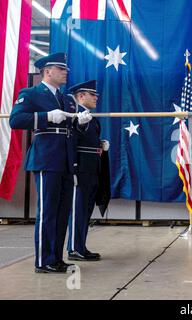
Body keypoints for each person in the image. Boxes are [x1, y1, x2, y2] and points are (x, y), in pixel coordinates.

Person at [9, 53, 92, 273]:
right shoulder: (32, 93)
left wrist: (81, 123)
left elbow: (72, 130)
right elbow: (15, 120)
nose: (66, 72)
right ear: (47, 71)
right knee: (47, 211)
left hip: (65, 159)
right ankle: (43, 261)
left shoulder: (66, 100)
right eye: (61, 69)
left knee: (62, 211)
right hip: (46, 158)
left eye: (65, 69)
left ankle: (55, 258)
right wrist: (46, 116)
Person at [67, 80, 109, 261]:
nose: (96, 98)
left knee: (86, 210)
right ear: (81, 96)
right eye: (93, 95)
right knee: (78, 209)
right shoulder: (73, 117)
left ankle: (81, 246)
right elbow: (71, 144)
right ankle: (74, 248)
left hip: (92, 168)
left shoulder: (93, 119)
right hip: (80, 168)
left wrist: (100, 145)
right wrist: (73, 169)